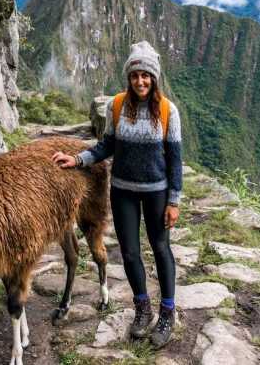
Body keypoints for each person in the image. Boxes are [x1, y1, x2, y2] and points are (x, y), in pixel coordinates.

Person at [51, 40, 183, 348]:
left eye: (146, 75)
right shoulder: (118, 105)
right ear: (129, 77)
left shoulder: (168, 111)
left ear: (154, 78)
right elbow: (106, 145)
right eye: (135, 75)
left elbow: (175, 160)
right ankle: (142, 308)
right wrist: (77, 159)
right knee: (130, 252)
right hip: (122, 190)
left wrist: (174, 201)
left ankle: (167, 312)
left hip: (157, 191)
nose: (140, 81)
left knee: (160, 248)